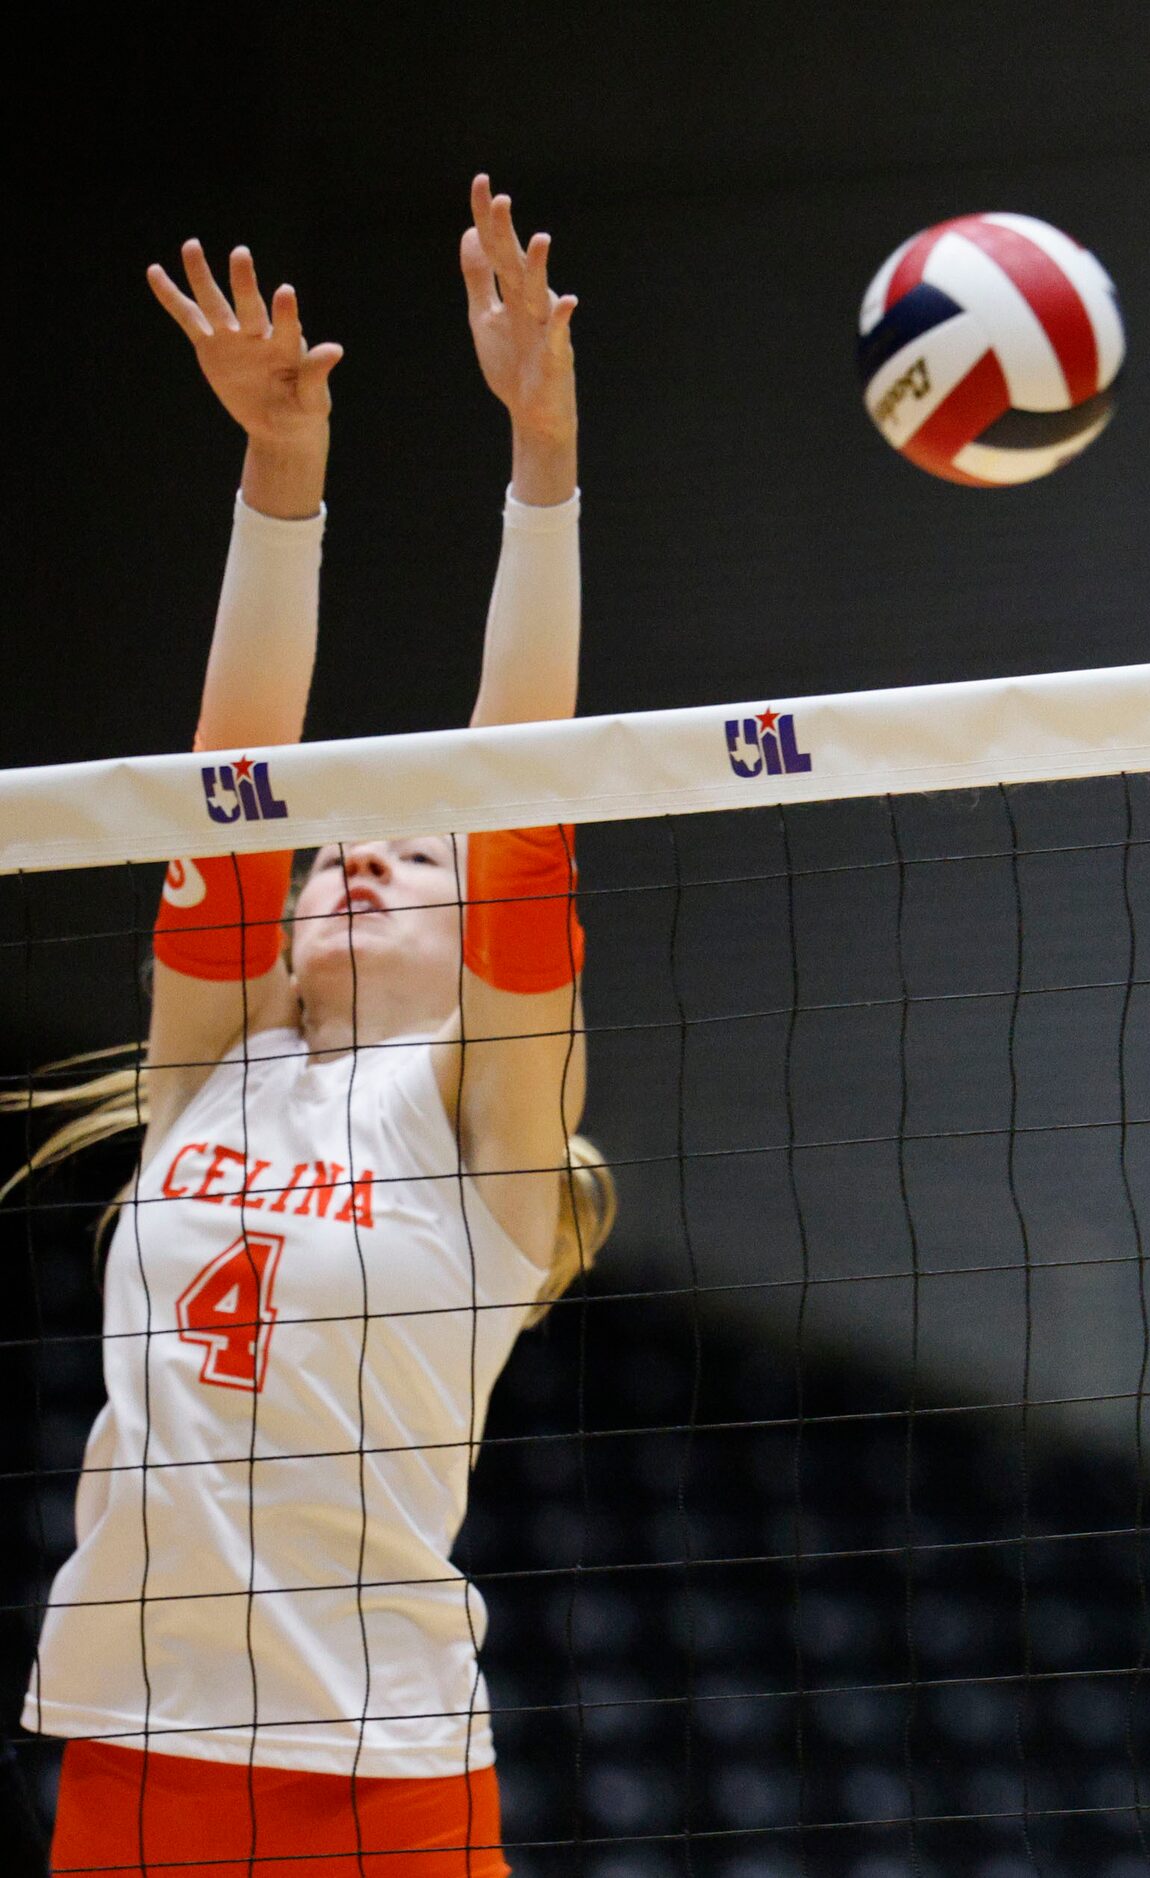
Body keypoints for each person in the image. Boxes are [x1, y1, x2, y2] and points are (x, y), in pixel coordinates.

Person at [6, 177, 608, 1878]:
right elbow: (236, 770)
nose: (357, 851)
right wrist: (283, 476)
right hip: (137, 1753)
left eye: (408, 855)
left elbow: (519, 783)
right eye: (346, 843)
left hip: (380, 1778)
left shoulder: (481, 1123)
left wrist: (541, 461)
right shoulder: (218, 1058)